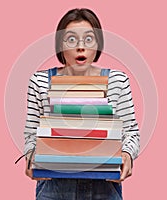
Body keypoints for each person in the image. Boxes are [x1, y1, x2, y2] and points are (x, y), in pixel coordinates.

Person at [23, 8, 140, 200]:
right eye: (71, 39)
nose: (80, 47)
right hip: (54, 188)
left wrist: (127, 155)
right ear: (60, 45)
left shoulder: (117, 81)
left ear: (98, 44)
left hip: (104, 187)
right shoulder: (40, 81)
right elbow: (31, 135)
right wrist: (30, 157)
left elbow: (131, 133)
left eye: (88, 39)